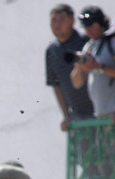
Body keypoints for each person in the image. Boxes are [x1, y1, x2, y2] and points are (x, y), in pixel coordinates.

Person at [45, 3, 94, 131]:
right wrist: (66, 115)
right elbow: (55, 84)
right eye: (54, 20)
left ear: (72, 21)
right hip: (78, 117)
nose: (57, 25)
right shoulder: (51, 51)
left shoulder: (86, 41)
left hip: (100, 112)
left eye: (62, 20)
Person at [70, 5, 115, 121]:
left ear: (101, 23)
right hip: (99, 113)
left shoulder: (113, 43)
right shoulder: (89, 46)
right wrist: (79, 66)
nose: (88, 30)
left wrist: (98, 66)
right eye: (85, 27)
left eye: (91, 26)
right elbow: (77, 84)